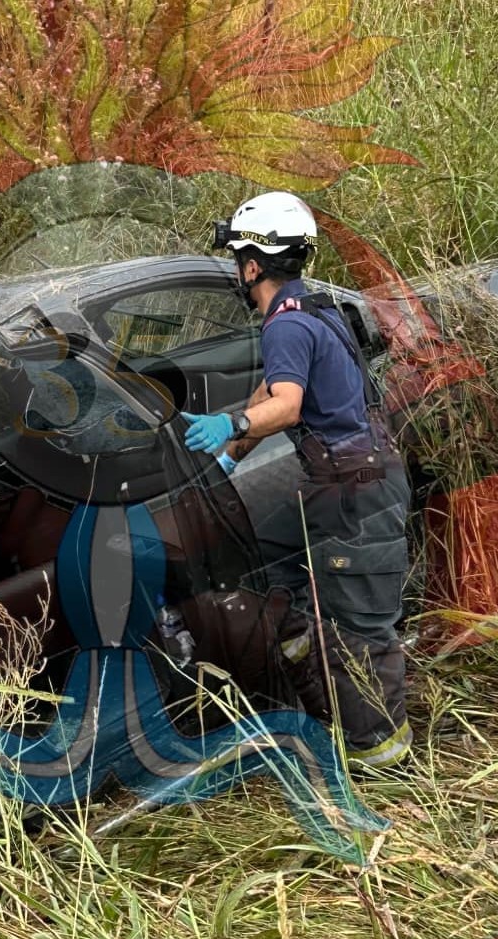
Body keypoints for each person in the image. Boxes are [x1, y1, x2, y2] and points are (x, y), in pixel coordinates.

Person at [179, 191, 413, 770]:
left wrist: (230, 422)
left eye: (238, 258)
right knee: (269, 555)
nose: (238, 269)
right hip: (345, 479)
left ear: (252, 265)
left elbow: (284, 403)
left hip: (356, 490)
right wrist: (231, 454)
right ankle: (309, 673)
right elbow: (268, 394)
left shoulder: (283, 327)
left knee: (362, 628)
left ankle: (380, 756)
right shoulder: (310, 308)